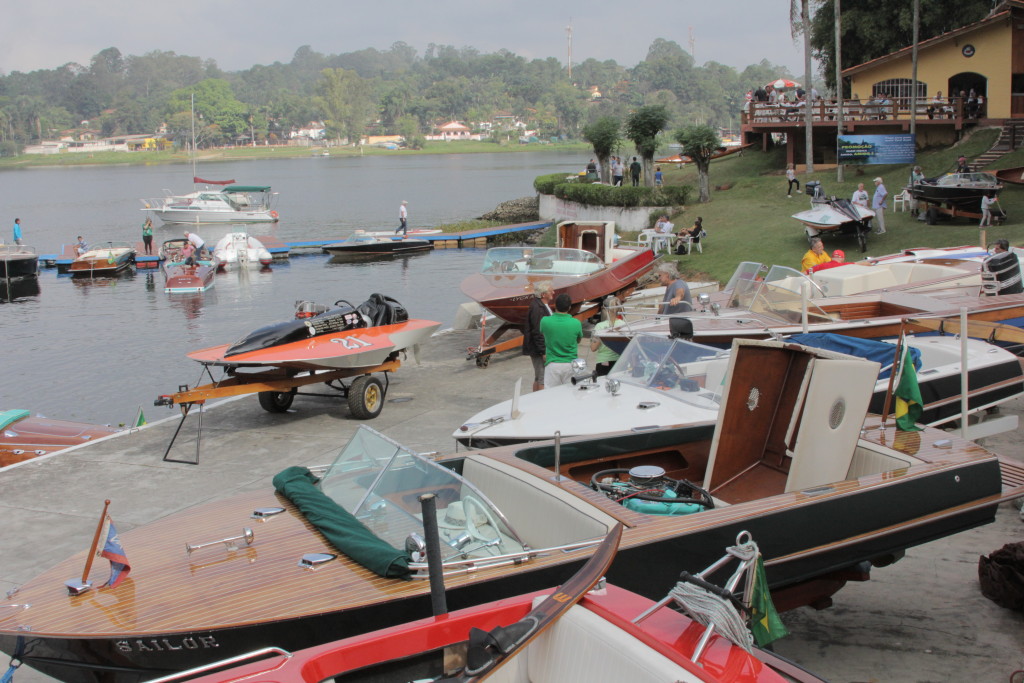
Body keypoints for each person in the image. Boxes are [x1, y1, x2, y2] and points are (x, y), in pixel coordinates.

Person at [539, 293, 583, 388]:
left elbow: (543, 334)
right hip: (570, 364)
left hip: (552, 364)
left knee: (551, 396)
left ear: (555, 305)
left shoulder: (545, 321)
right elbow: (578, 340)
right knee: (571, 395)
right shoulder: (576, 323)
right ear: (569, 307)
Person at [522, 280, 553, 391]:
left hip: (536, 347)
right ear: (543, 294)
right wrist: (543, 351)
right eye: (550, 291)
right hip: (538, 348)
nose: (553, 292)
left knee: (538, 376)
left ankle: (534, 397)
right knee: (542, 377)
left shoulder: (539, 305)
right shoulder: (538, 308)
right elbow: (537, 331)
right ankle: (541, 401)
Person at [590, 295, 625, 376]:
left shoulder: (600, 326)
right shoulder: (624, 325)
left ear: (604, 309)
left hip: (604, 362)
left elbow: (593, 348)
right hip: (619, 362)